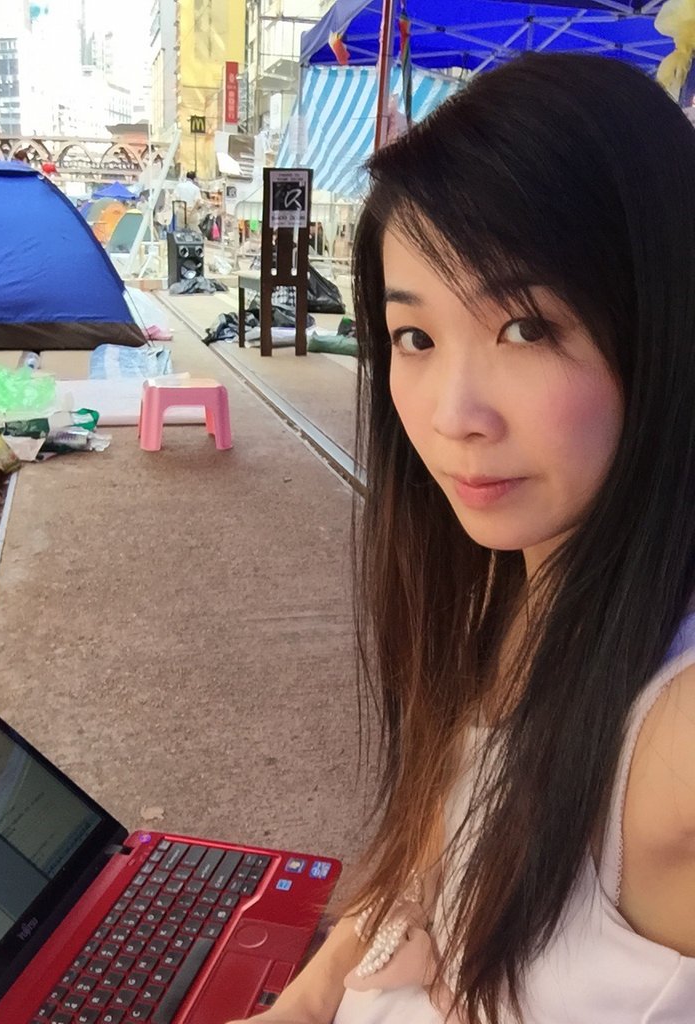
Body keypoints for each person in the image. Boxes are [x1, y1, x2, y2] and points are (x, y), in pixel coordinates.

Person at [227, 50, 695, 1024]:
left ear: (663, 327)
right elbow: (428, 859)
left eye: (525, 329)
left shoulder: (672, 734)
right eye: (417, 338)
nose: (452, 415)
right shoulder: (507, 589)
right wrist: (303, 1003)